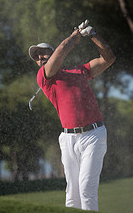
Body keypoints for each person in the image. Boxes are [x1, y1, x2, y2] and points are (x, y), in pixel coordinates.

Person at [28, 20, 116, 212]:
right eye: (37, 56)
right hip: (68, 139)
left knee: (86, 190)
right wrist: (76, 34)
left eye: (43, 53)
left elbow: (108, 58)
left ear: (51, 54)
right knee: (72, 194)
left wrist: (93, 33)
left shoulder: (80, 70)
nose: (40, 57)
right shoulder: (44, 77)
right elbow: (62, 48)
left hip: (93, 135)